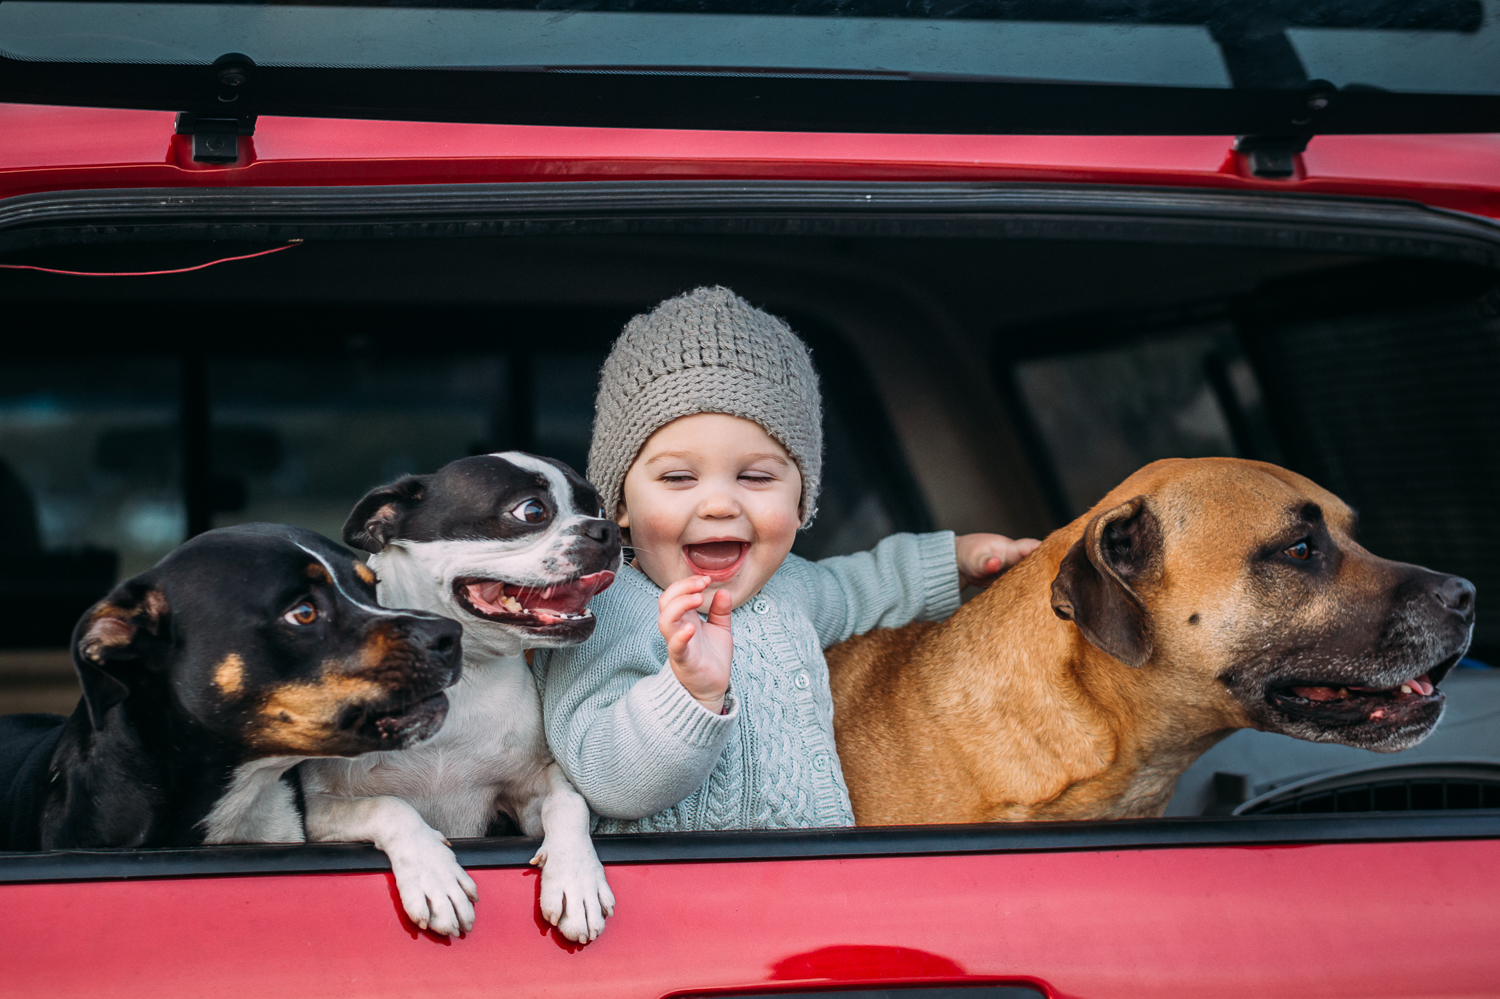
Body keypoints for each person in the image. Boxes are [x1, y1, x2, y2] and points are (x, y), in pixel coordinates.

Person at [536, 286, 1038, 832]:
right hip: (685, 906)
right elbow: (604, 778)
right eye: (678, 477)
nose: (721, 504)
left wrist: (955, 560)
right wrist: (689, 694)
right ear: (621, 504)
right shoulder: (600, 614)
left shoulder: (791, 589)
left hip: (822, 890)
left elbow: (864, 586)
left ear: (801, 502)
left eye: (756, 477)